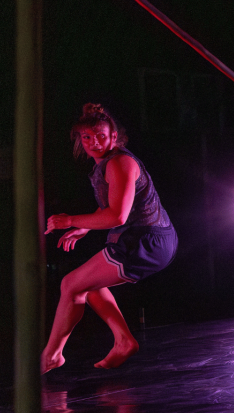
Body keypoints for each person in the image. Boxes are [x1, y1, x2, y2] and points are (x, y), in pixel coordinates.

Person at [41, 104, 177, 374]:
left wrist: (70, 221)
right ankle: (124, 341)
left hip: (145, 241)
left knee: (71, 285)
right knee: (87, 285)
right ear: (80, 139)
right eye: (87, 138)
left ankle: (51, 356)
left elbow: (117, 216)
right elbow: (111, 208)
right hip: (143, 240)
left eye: (101, 136)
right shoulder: (106, 164)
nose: (94, 142)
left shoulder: (119, 163)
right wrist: (86, 228)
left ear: (114, 137)